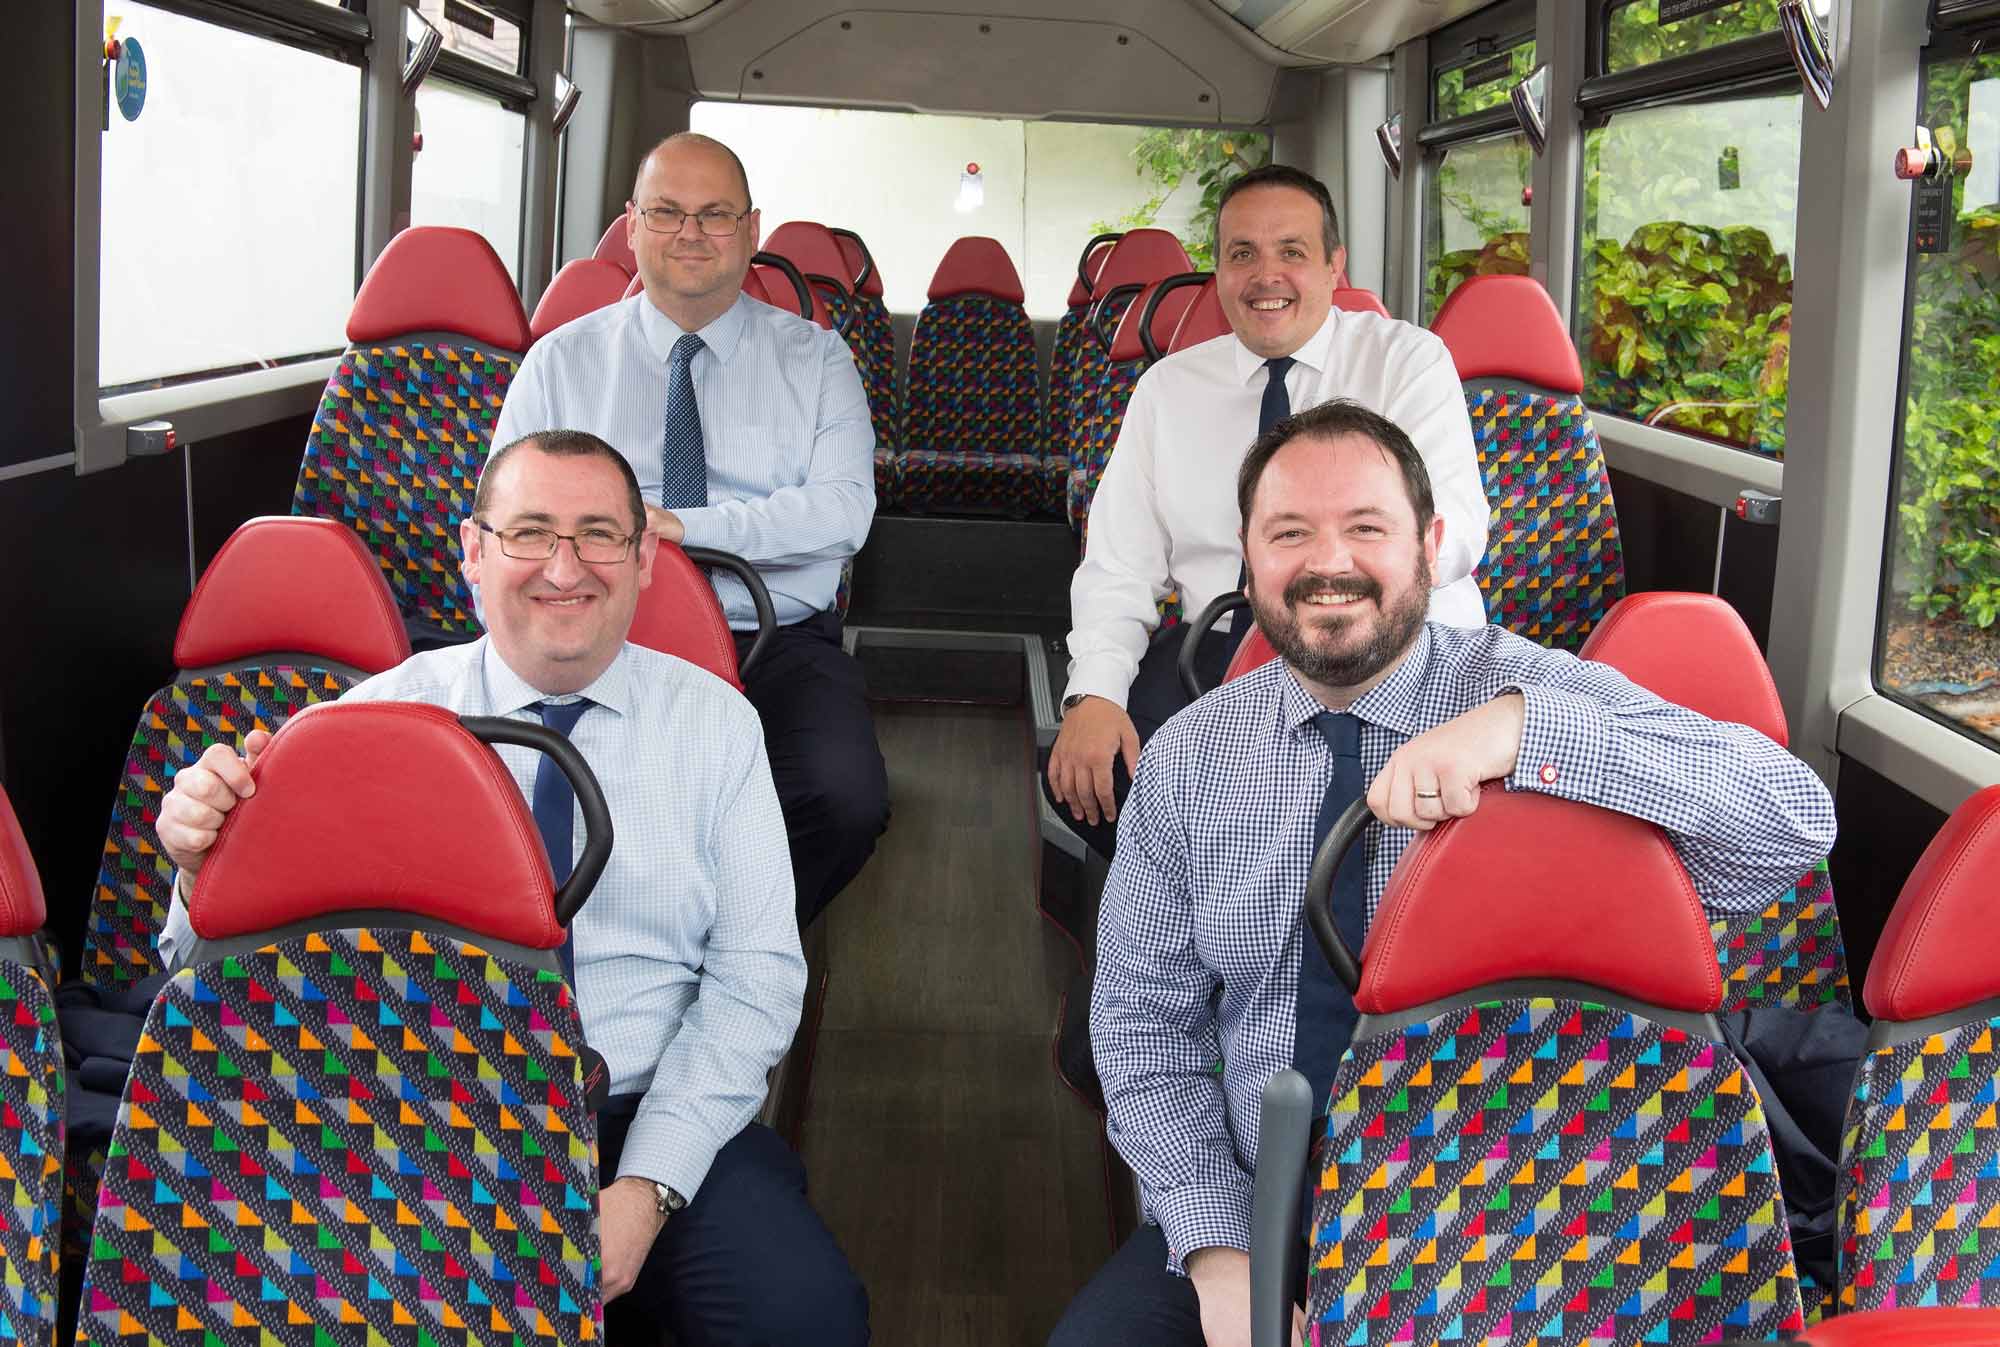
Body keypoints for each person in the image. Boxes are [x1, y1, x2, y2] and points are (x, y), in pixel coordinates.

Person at [1048, 401, 1836, 1347]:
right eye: (1289, 532)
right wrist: (1223, 1258)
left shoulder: (1529, 688)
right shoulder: (1187, 760)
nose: (1327, 563)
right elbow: (1142, 1029)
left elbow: (1792, 820)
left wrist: (1523, 735)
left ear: (1431, 544)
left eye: (1366, 528)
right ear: (1248, 558)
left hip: (1525, 1220)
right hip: (1270, 1212)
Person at [154, 431, 870, 1347]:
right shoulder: (369, 720)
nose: (564, 568)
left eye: (599, 535)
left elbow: (754, 983)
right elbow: (206, 965)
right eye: (531, 532)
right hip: (412, 1119)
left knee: (808, 1318)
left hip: (644, 1110)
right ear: (473, 552)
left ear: (645, 557)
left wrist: (647, 1189)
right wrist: (196, 853)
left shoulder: (720, 726)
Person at [494, 132, 886, 928]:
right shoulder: (559, 363)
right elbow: (507, 517)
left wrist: (677, 528)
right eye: (668, 212)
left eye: (715, 215)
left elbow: (844, 510)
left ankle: (741, 935)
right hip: (602, 635)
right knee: (527, 800)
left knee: (846, 798)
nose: (691, 234)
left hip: (772, 641)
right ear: (631, 225)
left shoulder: (817, 360)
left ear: (751, 230)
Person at [1045, 164, 1492, 861]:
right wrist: (1094, 693)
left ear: (1335, 265)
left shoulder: (1408, 363)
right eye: (1242, 254)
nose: (1266, 275)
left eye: (1292, 251)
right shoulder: (1166, 392)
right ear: (1217, 272)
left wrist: (1350, 597)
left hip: (1392, 645)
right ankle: (1214, 946)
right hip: (1219, 649)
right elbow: (1117, 564)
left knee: (1395, 815)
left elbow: (1454, 525)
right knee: (1097, 778)